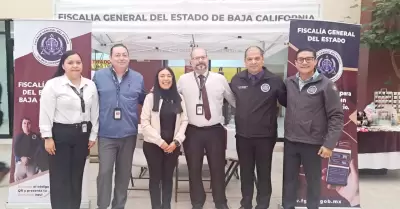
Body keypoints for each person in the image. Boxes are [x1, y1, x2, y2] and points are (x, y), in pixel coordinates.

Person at [282, 48, 344, 209]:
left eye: (308, 59)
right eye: (300, 59)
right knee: (289, 181)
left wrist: (329, 144)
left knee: (313, 182)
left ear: (315, 61)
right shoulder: (289, 82)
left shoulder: (326, 85)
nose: (304, 62)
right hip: (290, 141)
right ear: (295, 63)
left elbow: (336, 116)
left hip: (313, 143)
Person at [39, 50, 99, 209]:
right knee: (60, 178)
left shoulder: (90, 85)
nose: (75, 65)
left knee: (76, 177)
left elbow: (95, 112)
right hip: (60, 135)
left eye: (78, 62)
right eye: (70, 62)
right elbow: (45, 113)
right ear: (63, 65)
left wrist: (93, 135)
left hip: (82, 135)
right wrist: (47, 137)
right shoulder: (53, 84)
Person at [177, 47, 236, 209]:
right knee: (193, 169)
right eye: (196, 58)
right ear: (191, 62)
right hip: (192, 131)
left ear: (207, 59)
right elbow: (172, 99)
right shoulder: (183, 80)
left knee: (217, 168)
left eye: (202, 57)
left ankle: (220, 202)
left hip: (215, 130)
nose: (200, 61)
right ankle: (197, 202)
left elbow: (233, 100)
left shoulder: (219, 79)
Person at [230, 46, 287, 209]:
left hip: (265, 137)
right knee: (246, 173)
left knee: (263, 173)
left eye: (256, 58)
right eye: (250, 59)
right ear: (245, 61)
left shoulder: (274, 81)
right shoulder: (237, 79)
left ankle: (262, 205)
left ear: (262, 59)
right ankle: (245, 203)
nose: (253, 62)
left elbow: (288, 102)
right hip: (243, 136)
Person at [93, 44, 146, 209]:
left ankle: (119, 206)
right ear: (110, 58)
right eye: (117, 55)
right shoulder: (99, 76)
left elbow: (144, 100)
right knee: (105, 172)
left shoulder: (138, 77)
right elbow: (92, 102)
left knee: (123, 175)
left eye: (124, 54)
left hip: (128, 134)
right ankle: (102, 205)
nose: (121, 58)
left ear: (129, 57)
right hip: (106, 134)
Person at [141, 67, 188, 209]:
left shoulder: (179, 98)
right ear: (157, 79)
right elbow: (145, 123)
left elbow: (184, 120)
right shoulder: (150, 98)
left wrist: (177, 141)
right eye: (162, 76)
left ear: (173, 79)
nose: (166, 79)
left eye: (169, 76)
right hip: (153, 145)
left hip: (173, 146)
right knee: (155, 178)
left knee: (168, 178)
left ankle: (166, 206)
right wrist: (161, 142)